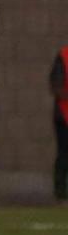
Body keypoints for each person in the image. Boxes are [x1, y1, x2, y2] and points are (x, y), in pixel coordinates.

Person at [50, 47, 68, 201]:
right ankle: (60, 195)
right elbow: (56, 86)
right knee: (64, 154)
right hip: (63, 116)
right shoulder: (63, 56)